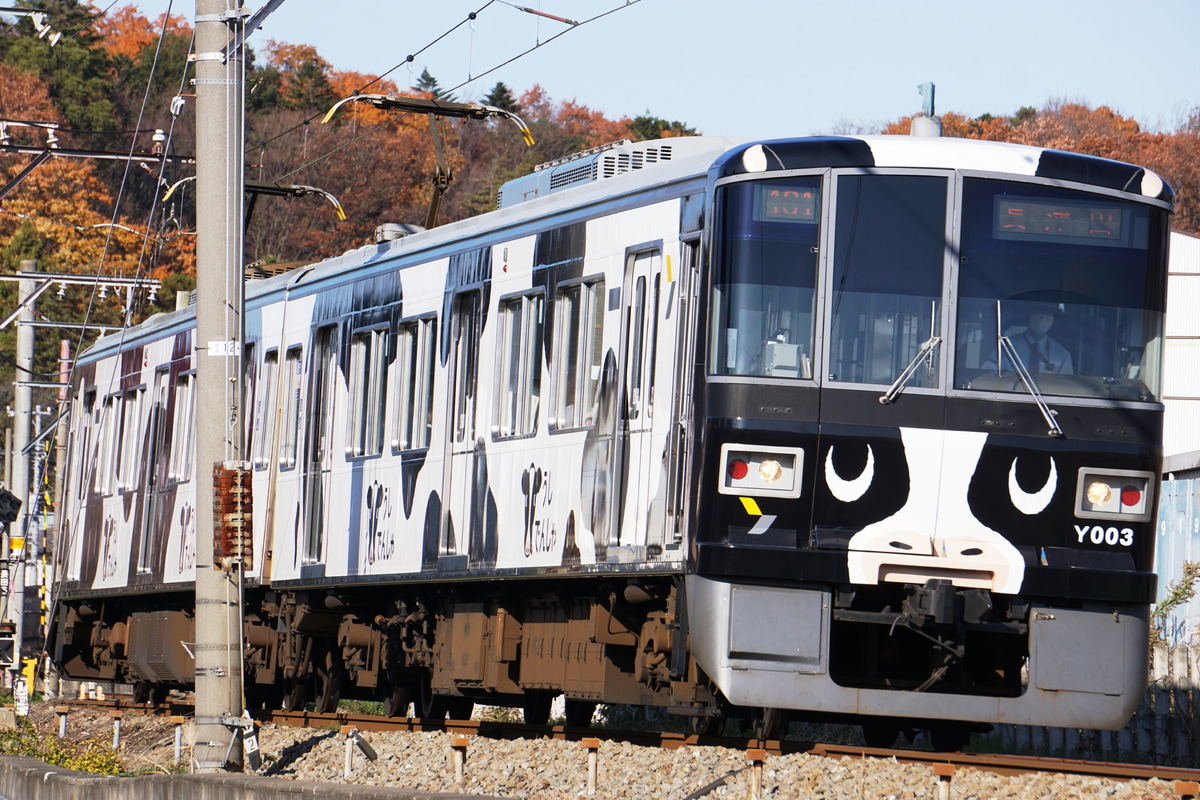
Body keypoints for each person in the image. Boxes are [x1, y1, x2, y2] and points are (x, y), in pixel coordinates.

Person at [1009, 305, 1073, 375]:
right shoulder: (1006, 347)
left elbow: (1065, 383)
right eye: (1038, 313)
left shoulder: (1062, 355)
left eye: (1048, 315)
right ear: (1028, 317)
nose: (1042, 319)